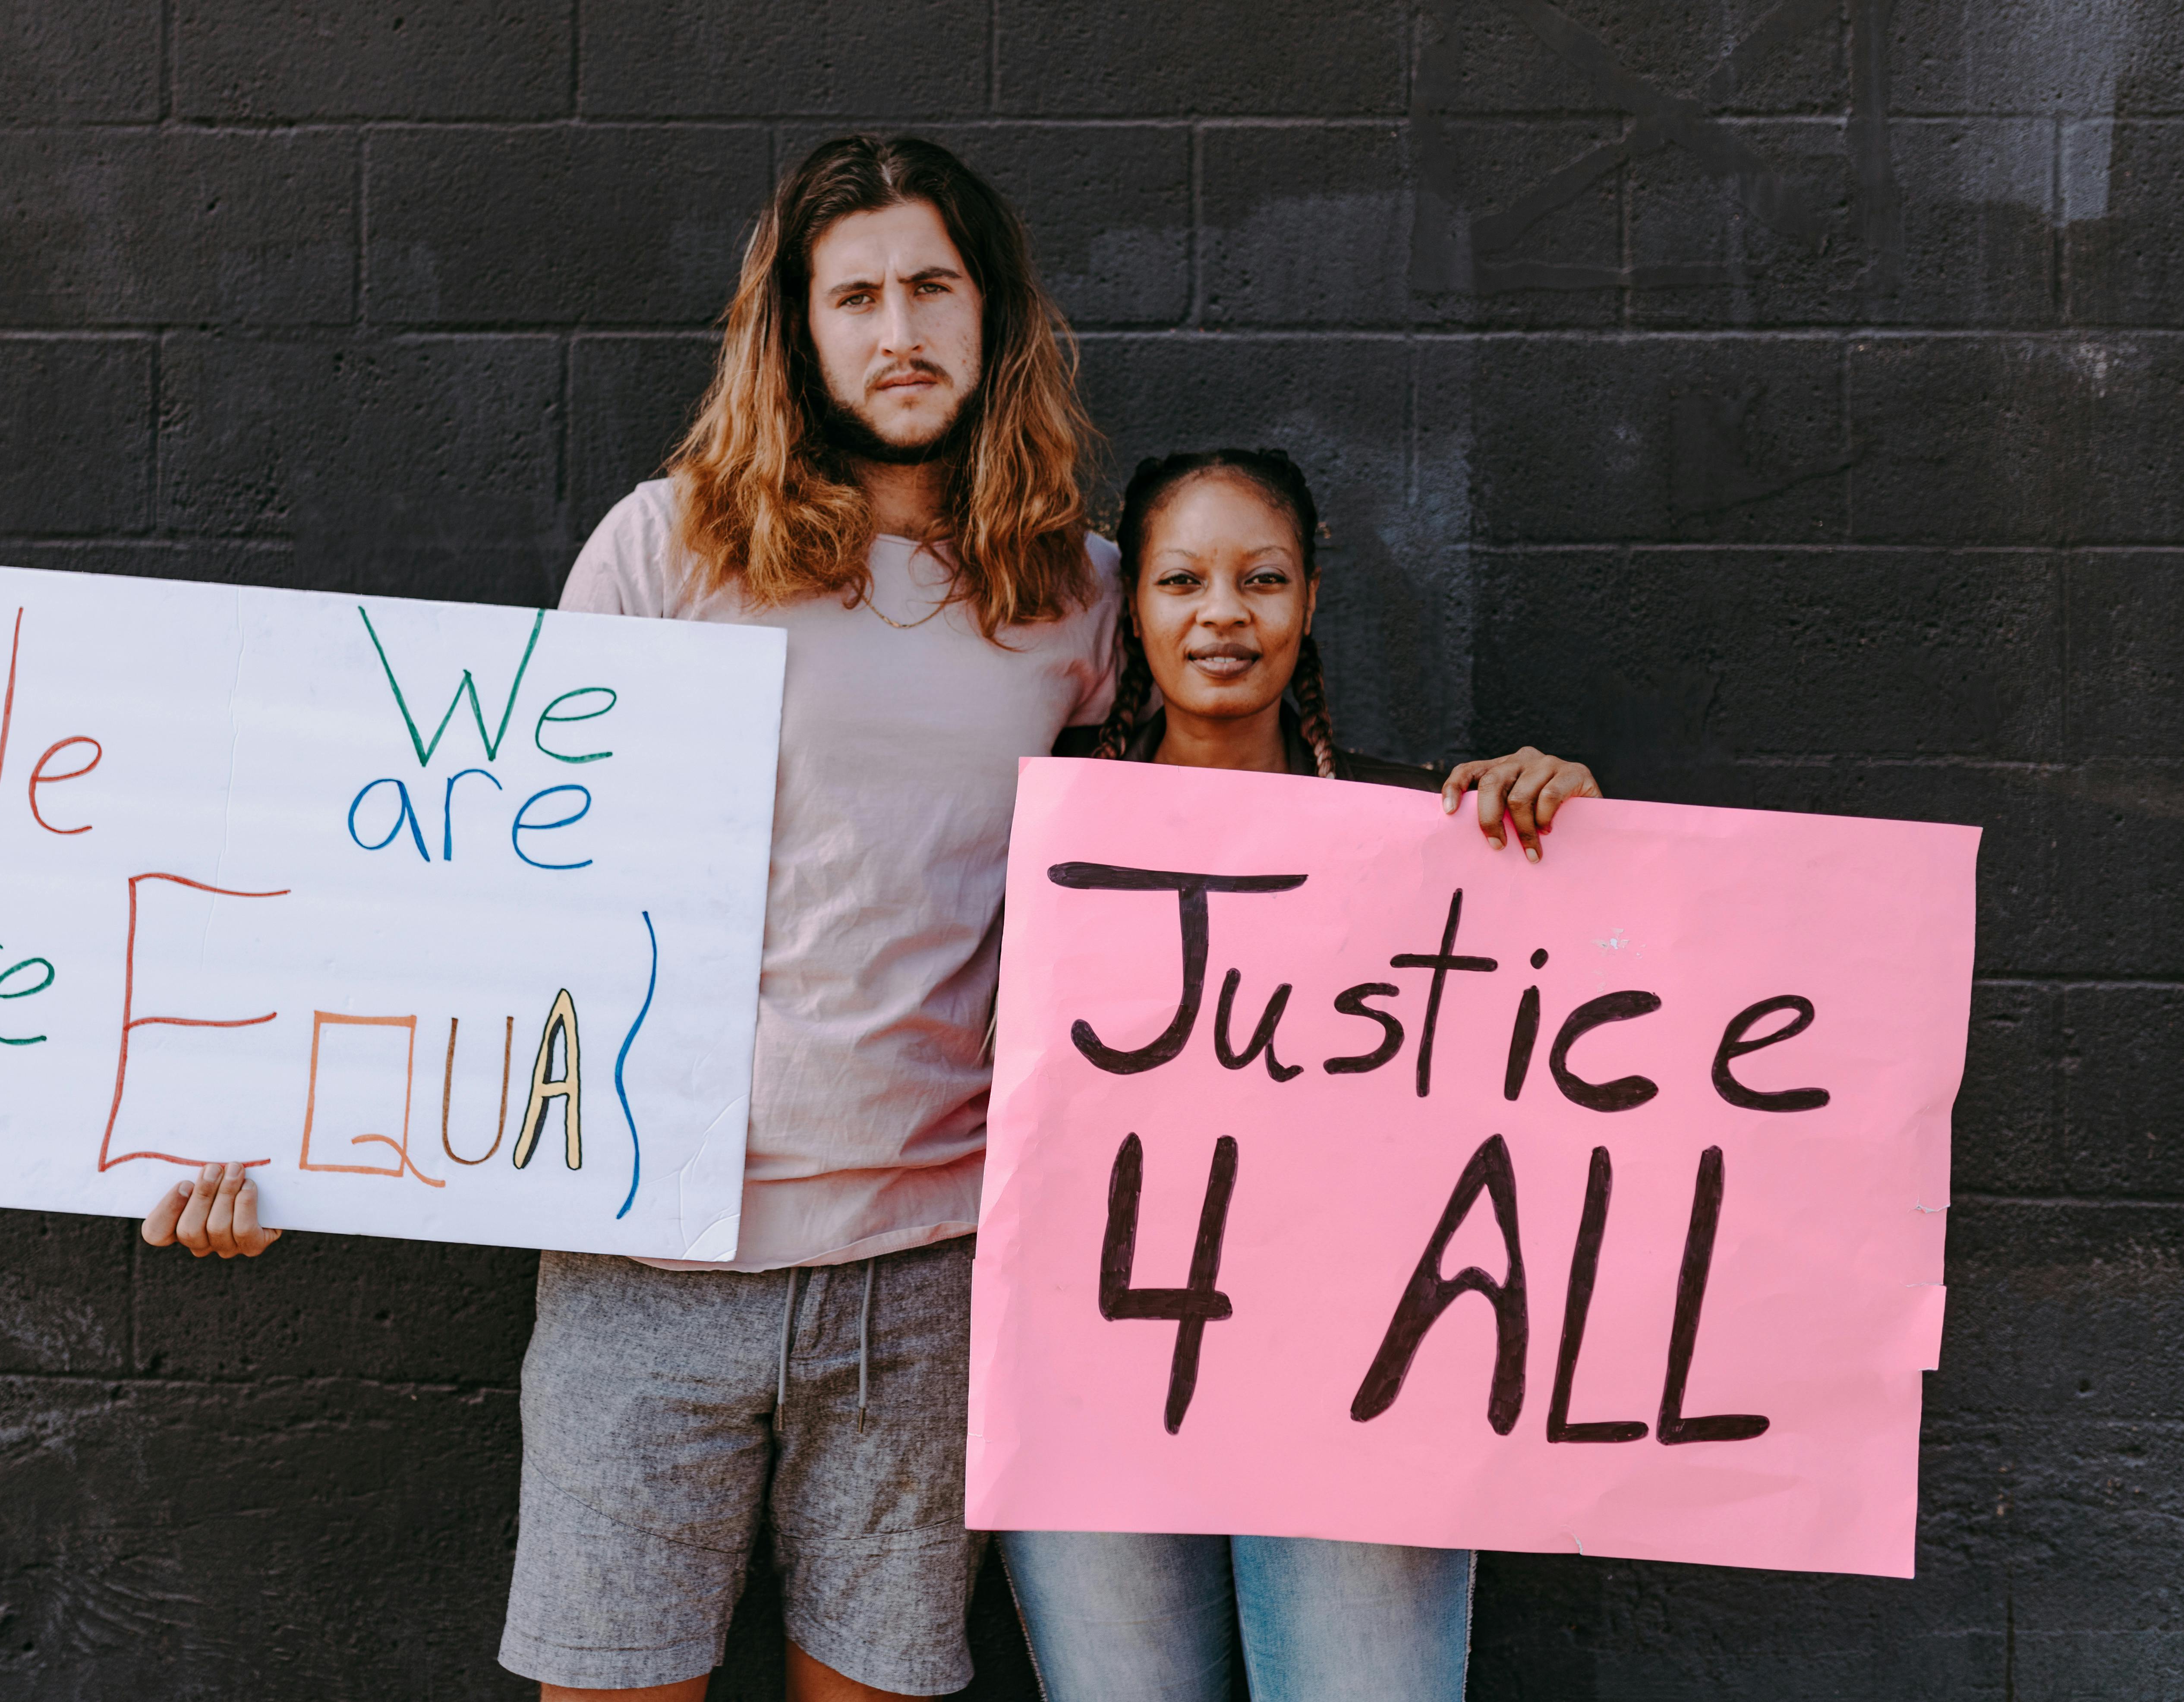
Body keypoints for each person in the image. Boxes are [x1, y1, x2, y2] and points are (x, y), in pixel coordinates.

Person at [146, 132, 1122, 1699]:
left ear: (996, 314)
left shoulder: (1072, 595)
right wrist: (259, 1117)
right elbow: (485, 874)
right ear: (797, 331)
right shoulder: (670, 549)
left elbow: (1258, 809)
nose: (898, 331)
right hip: (643, 1257)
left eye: (934, 287)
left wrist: (1493, 806)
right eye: (855, 294)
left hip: (927, 1266)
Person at [1009, 447, 1601, 1702]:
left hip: (1361, 1396)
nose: (1223, 612)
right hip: (1101, 1385)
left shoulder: (1429, 832)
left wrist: (1577, 839)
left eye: (1261, 578)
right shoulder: (1044, 831)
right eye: (1182, 580)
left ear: (1311, 603)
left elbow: (1596, 1027)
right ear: (1135, 612)